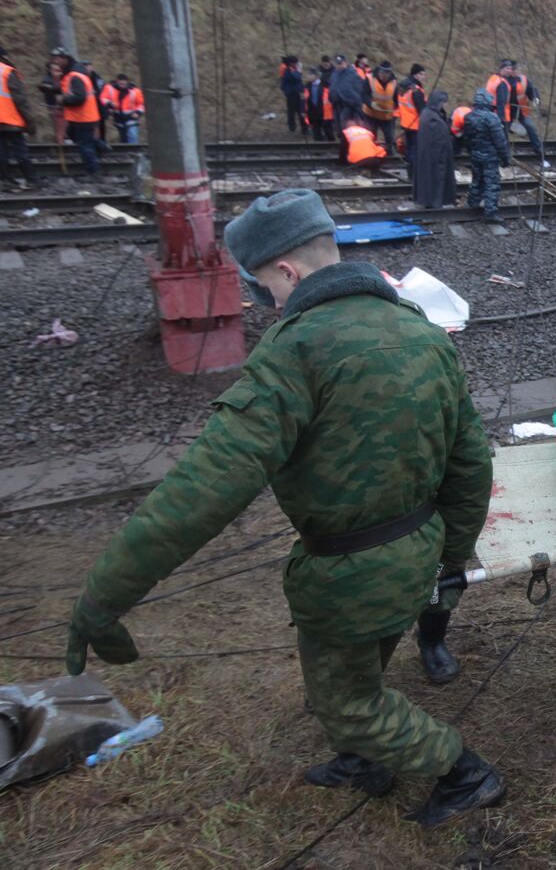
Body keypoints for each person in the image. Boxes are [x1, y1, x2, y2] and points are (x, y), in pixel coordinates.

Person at [65, 188, 504, 827]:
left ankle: (464, 772)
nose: (265, 301)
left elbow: (202, 489)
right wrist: (451, 556)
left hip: (347, 573)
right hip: (417, 551)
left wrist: (104, 597)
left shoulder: (295, 349)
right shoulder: (422, 331)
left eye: (262, 286)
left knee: (345, 702)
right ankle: (364, 761)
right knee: (362, 670)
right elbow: (471, 464)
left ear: (288, 272)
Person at [462, 89, 512, 223]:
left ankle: (472, 204)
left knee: (477, 180)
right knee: (492, 183)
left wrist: (471, 151)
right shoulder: (492, 118)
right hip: (490, 157)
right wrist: (505, 158)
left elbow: (466, 138)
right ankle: (490, 213)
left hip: (475, 154)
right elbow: (500, 141)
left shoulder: (469, 117)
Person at [54, 53, 100, 177]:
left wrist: (63, 100)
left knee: (85, 146)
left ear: (65, 59)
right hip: (83, 116)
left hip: (83, 117)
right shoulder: (77, 74)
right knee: (80, 140)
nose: (55, 62)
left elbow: (80, 97)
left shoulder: (74, 76)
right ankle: (101, 146)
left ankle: (93, 172)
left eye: (57, 59)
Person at [0, 46, 37, 187]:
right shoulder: (6, 71)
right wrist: (30, 122)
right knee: (20, 152)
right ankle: (31, 179)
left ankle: (5, 180)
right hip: (11, 121)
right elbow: (20, 100)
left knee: (1, 153)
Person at [413, 91, 456, 209]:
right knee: (435, 179)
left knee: (430, 178)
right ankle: (434, 202)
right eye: (444, 102)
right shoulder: (432, 118)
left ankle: (431, 201)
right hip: (435, 156)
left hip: (430, 154)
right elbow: (440, 137)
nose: (445, 105)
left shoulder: (429, 114)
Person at [507, 62, 548, 166]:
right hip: (508, 112)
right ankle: (503, 156)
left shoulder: (524, 80)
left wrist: (535, 98)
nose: (519, 71)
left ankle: (540, 155)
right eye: (517, 69)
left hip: (522, 112)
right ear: (512, 71)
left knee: (531, 128)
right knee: (502, 131)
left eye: (520, 69)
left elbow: (532, 90)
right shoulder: (506, 81)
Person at [328, 55, 362, 164]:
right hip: (337, 106)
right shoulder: (335, 74)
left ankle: (346, 156)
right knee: (339, 131)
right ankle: (345, 155)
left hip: (349, 107)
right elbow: (332, 87)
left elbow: (357, 91)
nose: (339, 66)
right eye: (338, 64)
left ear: (346, 63)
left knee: (346, 132)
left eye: (341, 63)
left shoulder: (352, 75)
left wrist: (354, 105)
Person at [397, 64, 428, 173]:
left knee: (409, 148)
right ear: (415, 74)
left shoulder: (402, 86)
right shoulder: (416, 90)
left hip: (405, 123)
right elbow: (422, 109)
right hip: (415, 124)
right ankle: (414, 173)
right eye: (421, 74)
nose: (424, 77)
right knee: (415, 149)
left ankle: (410, 170)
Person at [361, 61, 399, 150]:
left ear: (390, 74)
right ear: (378, 71)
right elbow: (364, 94)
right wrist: (370, 103)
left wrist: (395, 108)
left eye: (386, 74)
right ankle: (370, 152)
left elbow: (396, 99)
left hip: (386, 116)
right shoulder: (370, 79)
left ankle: (390, 153)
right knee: (371, 135)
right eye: (382, 73)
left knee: (389, 136)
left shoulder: (394, 82)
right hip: (371, 114)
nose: (384, 76)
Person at [103, 74, 145, 144]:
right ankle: (127, 152)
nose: (123, 85)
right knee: (123, 138)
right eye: (121, 84)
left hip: (131, 117)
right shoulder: (109, 89)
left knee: (132, 135)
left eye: (124, 84)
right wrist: (109, 105)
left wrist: (138, 113)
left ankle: (134, 151)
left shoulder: (135, 91)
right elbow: (103, 98)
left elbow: (141, 104)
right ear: (117, 82)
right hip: (118, 118)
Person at [305, 74, 334, 142]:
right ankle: (318, 147)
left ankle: (331, 144)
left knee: (327, 129)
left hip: (325, 111)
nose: (308, 77)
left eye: (310, 75)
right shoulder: (307, 86)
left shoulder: (325, 85)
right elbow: (305, 98)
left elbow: (330, 97)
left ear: (316, 76)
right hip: (313, 110)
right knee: (316, 129)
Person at [280, 56, 305, 134]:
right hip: (292, 95)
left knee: (301, 111)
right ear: (292, 63)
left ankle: (304, 128)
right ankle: (292, 127)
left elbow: (299, 81)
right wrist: (299, 71)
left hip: (298, 94)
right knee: (292, 112)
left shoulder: (293, 70)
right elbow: (296, 78)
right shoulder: (288, 71)